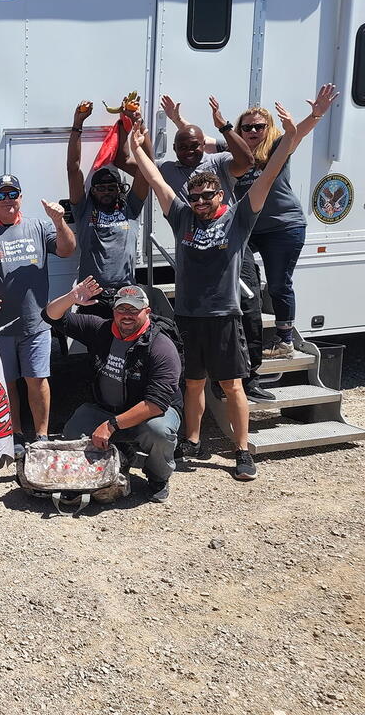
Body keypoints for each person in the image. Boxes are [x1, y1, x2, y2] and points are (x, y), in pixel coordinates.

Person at [128, 111, 296, 482]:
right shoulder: (183, 217)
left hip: (224, 316)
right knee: (191, 382)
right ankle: (192, 440)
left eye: (207, 195)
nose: (200, 201)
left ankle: (241, 450)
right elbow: (156, 180)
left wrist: (299, 130)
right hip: (187, 315)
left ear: (221, 194)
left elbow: (267, 175)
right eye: (195, 196)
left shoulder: (238, 217)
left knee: (231, 384)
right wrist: (135, 148)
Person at [168, 86, 339, 358]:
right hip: (250, 227)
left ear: (268, 128)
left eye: (258, 126)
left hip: (282, 226)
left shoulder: (275, 147)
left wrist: (315, 115)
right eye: (246, 128)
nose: (252, 132)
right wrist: (177, 120)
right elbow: (198, 142)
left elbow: (298, 133)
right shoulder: (231, 149)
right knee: (243, 272)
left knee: (279, 283)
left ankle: (284, 339)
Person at [157, 96, 274, 403]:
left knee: (249, 306)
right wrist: (137, 136)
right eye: (183, 147)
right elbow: (148, 170)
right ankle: (219, 380)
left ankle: (251, 377)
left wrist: (222, 124)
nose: (190, 150)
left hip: (230, 239)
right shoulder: (169, 169)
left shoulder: (217, 161)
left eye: (195, 146)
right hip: (196, 247)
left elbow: (246, 160)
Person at [43, 278, 182, 502]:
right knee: (72, 430)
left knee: (160, 432)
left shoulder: (161, 347)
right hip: (107, 408)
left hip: (150, 413)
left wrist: (111, 425)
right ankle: (121, 454)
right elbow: (50, 315)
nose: (126, 315)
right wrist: (71, 298)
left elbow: (156, 403)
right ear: (114, 311)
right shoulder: (100, 328)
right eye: (121, 309)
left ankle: (158, 476)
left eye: (133, 310)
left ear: (146, 311)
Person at [0, 175, 75, 441]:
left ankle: (42, 437)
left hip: (36, 323)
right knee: (6, 383)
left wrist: (59, 222)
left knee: (37, 380)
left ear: (21, 198)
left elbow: (68, 250)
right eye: (1, 195)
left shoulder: (39, 226)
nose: (8, 200)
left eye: (13, 194)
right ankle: (15, 436)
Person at [67, 101, 149, 316]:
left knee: (126, 348)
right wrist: (78, 124)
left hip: (126, 294)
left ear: (119, 188)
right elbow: (73, 168)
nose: (105, 191)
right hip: (91, 295)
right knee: (96, 348)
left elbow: (148, 168)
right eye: (100, 188)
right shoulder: (83, 209)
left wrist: (139, 122)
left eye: (110, 187)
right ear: (92, 191)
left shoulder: (130, 207)